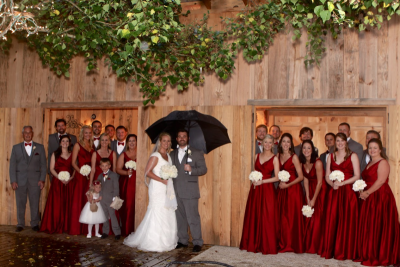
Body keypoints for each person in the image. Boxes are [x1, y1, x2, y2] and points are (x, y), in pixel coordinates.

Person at [124, 132, 178, 252]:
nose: (166, 143)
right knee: (157, 211)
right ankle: (154, 241)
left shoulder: (168, 156)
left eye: (168, 141)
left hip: (166, 188)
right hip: (157, 187)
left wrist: (169, 178)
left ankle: (166, 240)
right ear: (160, 141)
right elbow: (147, 172)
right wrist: (162, 180)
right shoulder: (156, 155)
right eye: (164, 140)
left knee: (167, 210)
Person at [356, 139, 400, 266]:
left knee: (379, 224)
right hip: (370, 196)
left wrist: (367, 192)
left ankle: (380, 255)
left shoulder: (383, 162)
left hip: (380, 197)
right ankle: (370, 252)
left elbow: (380, 181)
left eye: (375, 148)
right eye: (370, 148)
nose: (372, 150)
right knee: (370, 225)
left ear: (380, 149)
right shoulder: (370, 162)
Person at [322, 133, 360, 260]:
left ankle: (345, 250)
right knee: (333, 219)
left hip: (348, 192)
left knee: (347, 221)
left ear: (346, 142)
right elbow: (327, 175)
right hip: (334, 191)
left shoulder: (353, 155)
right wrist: (332, 184)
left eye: (342, 141)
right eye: (337, 141)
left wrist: (343, 183)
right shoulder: (330, 156)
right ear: (335, 142)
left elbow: (357, 176)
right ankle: (331, 249)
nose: (340, 143)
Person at [240, 134, 280, 254]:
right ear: (262, 143)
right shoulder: (256, 156)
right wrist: (254, 180)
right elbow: (254, 172)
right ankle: (253, 243)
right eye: (265, 142)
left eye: (269, 142)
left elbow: (277, 178)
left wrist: (263, 181)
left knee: (267, 216)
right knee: (255, 215)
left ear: (273, 144)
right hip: (256, 190)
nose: (267, 145)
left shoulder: (275, 158)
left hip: (267, 189)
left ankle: (267, 245)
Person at [170, 129, 208, 252]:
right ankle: (182, 240)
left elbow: (203, 169)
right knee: (180, 218)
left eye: (184, 136)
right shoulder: (172, 154)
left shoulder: (197, 152)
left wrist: (191, 169)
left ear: (188, 138)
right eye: (179, 136)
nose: (182, 138)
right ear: (176, 139)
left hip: (190, 191)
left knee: (193, 218)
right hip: (176, 191)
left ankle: (197, 241)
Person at [9, 126, 46, 232]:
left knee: (35, 202)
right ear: (22, 134)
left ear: (32, 134)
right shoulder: (16, 148)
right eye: (25, 132)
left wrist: (42, 179)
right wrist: (13, 180)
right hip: (20, 181)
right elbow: (12, 165)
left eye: (29, 132)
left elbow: (43, 165)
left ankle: (35, 223)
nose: (27, 134)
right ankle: (20, 223)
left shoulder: (40, 147)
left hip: (35, 180)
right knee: (20, 203)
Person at [40, 135, 75, 234]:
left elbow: (75, 168)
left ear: (69, 143)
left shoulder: (72, 154)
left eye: (67, 141)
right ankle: (55, 225)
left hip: (69, 183)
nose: (65, 143)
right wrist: (60, 178)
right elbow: (51, 169)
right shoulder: (55, 154)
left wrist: (70, 178)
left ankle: (66, 226)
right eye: (63, 141)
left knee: (68, 204)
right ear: (60, 143)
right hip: (58, 183)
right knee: (57, 205)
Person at [277, 133, 305, 253]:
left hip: (293, 189)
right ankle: (283, 243)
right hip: (282, 189)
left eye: (288, 142)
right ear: (280, 143)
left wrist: (288, 184)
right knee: (282, 217)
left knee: (292, 217)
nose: (286, 144)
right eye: (284, 141)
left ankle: (293, 244)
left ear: (291, 144)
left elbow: (301, 176)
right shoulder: (277, 156)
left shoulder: (294, 157)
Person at [299, 140, 327, 254]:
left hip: (319, 191)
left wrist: (314, 199)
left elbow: (320, 182)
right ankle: (308, 244)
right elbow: (305, 180)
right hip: (310, 190)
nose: (306, 150)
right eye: (304, 148)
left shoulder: (318, 162)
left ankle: (317, 246)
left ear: (313, 149)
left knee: (317, 218)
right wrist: (308, 197)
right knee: (307, 217)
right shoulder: (302, 162)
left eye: (309, 148)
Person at [69, 125, 94, 235]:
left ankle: (87, 228)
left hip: (90, 177)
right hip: (80, 176)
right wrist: (82, 172)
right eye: (86, 133)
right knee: (79, 200)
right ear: (82, 134)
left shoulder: (92, 147)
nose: (88, 135)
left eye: (89, 133)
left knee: (88, 200)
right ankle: (77, 228)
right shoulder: (77, 145)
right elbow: (73, 163)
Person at [116, 134, 137, 236]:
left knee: (136, 205)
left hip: (138, 183)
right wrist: (126, 173)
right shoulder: (123, 155)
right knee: (127, 205)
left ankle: (136, 229)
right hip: (126, 184)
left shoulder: (141, 153)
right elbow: (118, 169)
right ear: (127, 143)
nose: (132, 143)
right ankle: (127, 230)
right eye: (130, 141)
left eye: (134, 141)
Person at [97, 158, 121, 240]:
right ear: (100, 167)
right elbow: (98, 187)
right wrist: (98, 196)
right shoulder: (100, 176)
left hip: (111, 199)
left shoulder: (113, 175)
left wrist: (115, 197)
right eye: (102, 166)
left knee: (112, 216)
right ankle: (105, 231)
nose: (104, 167)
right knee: (104, 216)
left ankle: (117, 232)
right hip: (102, 199)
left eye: (106, 165)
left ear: (109, 166)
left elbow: (116, 187)